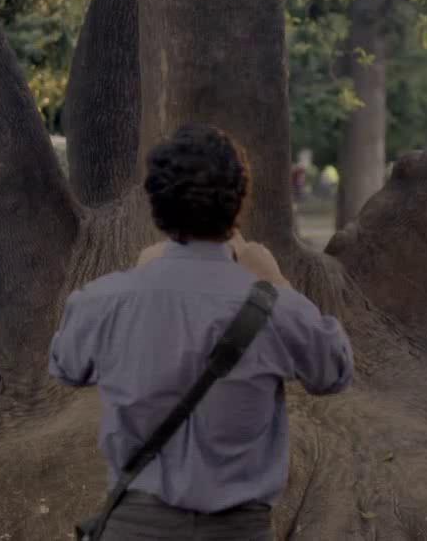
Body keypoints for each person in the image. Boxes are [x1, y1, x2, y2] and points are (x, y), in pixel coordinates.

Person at [49, 123, 353, 541]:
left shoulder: (103, 302)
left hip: (133, 527)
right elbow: (333, 371)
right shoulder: (278, 309)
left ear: (156, 205)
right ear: (239, 204)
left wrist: (139, 280)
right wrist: (276, 281)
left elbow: (66, 366)